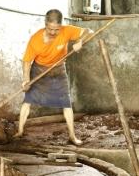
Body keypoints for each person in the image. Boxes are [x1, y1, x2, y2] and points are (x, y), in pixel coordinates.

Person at [13, 9, 92, 145]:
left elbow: (89, 31)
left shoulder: (66, 31)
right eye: (50, 29)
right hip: (39, 70)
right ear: (45, 24)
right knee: (28, 100)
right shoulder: (35, 39)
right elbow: (27, 61)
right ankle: (20, 131)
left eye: (56, 29)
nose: (53, 32)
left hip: (58, 70)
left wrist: (81, 41)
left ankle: (72, 136)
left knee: (66, 103)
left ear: (60, 26)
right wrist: (26, 79)